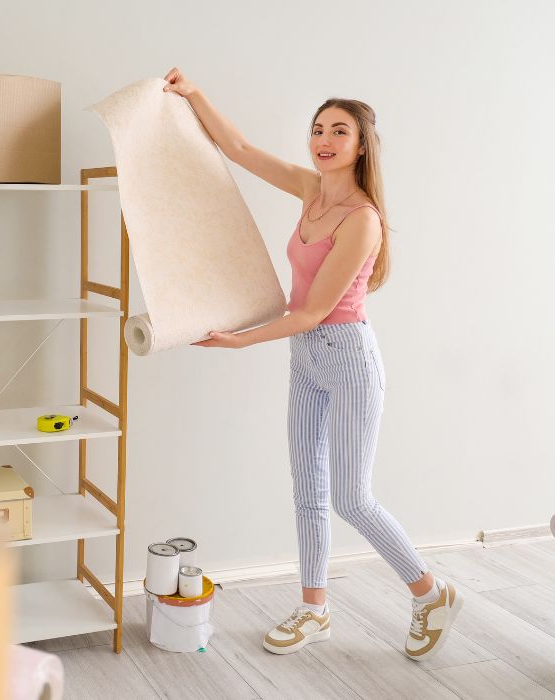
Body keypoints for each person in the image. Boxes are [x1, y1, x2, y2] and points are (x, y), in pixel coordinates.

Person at [163, 67, 463, 662]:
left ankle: (431, 593)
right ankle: (314, 609)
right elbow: (240, 149)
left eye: (339, 131)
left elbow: (312, 311)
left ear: (361, 146)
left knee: (352, 498)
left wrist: (237, 341)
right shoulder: (310, 190)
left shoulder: (362, 219)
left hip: (348, 358)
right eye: (318, 129)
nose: (324, 139)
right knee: (308, 489)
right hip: (307, 360)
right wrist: (193, 93)